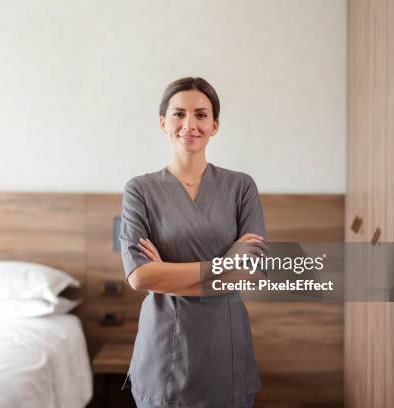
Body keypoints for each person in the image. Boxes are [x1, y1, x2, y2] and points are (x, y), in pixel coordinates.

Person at [119, 77, 267, 408]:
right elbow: (140, 277)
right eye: (178, 114)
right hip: (164, 344)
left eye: (201, 115)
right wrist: (222, 265)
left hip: (225, 343)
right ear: (163, 123)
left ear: (214, 125)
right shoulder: (139, 191)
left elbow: (252, 271)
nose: (190, 125)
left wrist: (166, 274)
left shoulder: (240, 187)